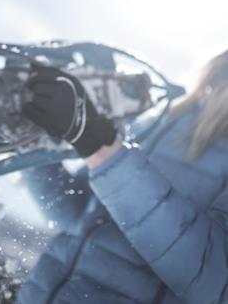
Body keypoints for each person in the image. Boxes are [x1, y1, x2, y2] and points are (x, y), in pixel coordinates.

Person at [16, 52, 228, 304]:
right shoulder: (167, 115)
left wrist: (99, 145)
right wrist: (36, 147)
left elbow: (213, 276)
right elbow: (75, 215)